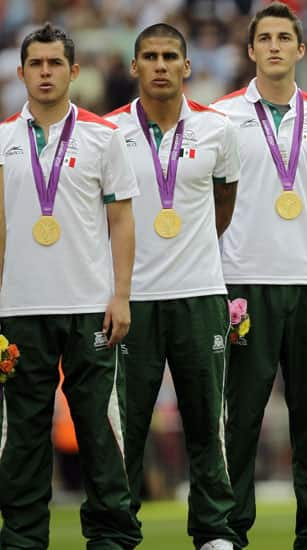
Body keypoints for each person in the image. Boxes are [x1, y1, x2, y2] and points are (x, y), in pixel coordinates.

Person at [210, 3, 307, 548]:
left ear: (301, 50)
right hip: (242, 283)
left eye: (284, 38)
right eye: (264, 39)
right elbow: (208, 200)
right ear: (250, 51)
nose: (274, 46)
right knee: (242, 415)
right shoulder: (220, 117)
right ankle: (229, 530)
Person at [0, 23, 141, 549]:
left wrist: (121, 293)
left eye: (54, 63)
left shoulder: (103, 137)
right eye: (35, 64)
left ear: (74, 72)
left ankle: (112, 536)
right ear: (20, 73)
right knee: (24, 435)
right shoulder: (2, 139)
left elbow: (123, 221)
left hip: (89, 306)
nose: (44, 73)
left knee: (99, 430)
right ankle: (22, 538)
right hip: (19, 307)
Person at [105, 23, 240, 550]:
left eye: (170, 56)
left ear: (187, 67)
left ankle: (213, 532)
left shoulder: (218, 129)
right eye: (149, 56)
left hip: (200, 293)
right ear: (134, 66)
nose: (160, 65)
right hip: (132, 298)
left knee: (207, 421)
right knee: (128, 427)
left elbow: (222, 203)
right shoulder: (108, 132)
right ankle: (117, 531)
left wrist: (193, 248)